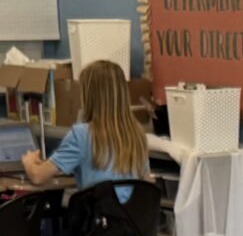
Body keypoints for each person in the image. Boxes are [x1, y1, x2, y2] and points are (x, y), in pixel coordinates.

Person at [17, 60, 147, 192]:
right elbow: (146, 180)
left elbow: (38, 176)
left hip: (97, 211)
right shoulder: (137, 134)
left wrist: (29, 162)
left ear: (89, 96)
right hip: (130, 212)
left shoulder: (81, 134)